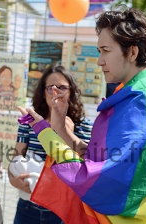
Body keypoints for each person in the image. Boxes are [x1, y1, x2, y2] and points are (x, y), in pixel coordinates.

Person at [17, 7, 146, 224]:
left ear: (132, 52)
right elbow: (97, 159)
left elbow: (95, 180)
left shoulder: (138, 106)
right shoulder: (140, 96)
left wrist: (45, 133)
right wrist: (61, 128)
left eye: (105, 50)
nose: (99, 60)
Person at [9, 65, 93, 224]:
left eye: (62, 87)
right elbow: (15, 158)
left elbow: (88, 169)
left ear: (71, 91)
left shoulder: (83, 126)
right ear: (42, 91)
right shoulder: (29, 122)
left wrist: (68, 134)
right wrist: (14, 180)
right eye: (50, 88)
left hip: (63, 211)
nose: (56, 92)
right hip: (28, 207)